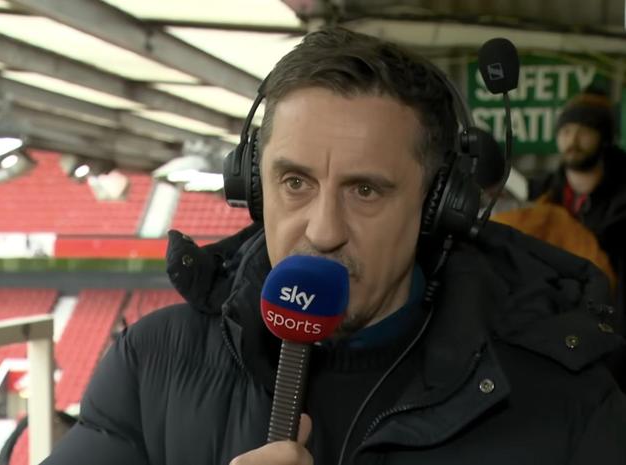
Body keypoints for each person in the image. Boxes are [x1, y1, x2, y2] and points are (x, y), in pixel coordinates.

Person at [41, 28, 626, 465]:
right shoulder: (152, 362)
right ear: (252, 183)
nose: (322, 231)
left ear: (438, 208)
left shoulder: (567, 402)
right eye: (295, 182)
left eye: (366, 190)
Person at [529, 87, 626, 333]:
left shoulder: (620, 202)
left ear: (603, 138)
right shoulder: (542, 196)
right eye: (566, 131)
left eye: (584, 131)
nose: (572, 140)